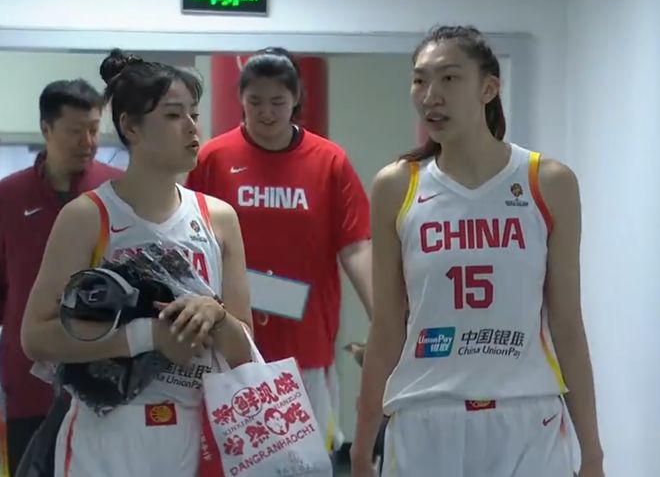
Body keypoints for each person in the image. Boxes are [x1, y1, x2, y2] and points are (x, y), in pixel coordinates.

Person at [350, 25, 604, 477]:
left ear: (488, 88)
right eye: (420, 80)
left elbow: (567, 323)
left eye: (449, 78)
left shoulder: (547, 182)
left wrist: (593, 452)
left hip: (527, 415)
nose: (431, 95)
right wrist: (363, 441)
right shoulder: (398, 185)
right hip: (426, 416)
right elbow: (387, 326)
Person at [20, 49, 254, 476]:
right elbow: (35, 337)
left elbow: (245, 350)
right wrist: (147, 335)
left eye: (194, 113)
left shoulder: (219, 218)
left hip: (198, 433)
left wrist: (217, 317)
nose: (192, 127)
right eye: (173, 115)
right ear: (131, 127)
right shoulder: (87, 216)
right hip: (106, 436)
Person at [186, 47, 372, 455]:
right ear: (240, 99)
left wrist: (384, 317)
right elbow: (190, 242)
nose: (266, 113)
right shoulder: (213, 158)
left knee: (305, 461)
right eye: (255, 102)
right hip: (228, 344)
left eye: (277, 102)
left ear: (296, 99)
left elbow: (356, 246)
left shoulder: (329, 161)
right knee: (232, 460)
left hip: (306, 345)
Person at [0, 79, 122, 474]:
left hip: (106, 384)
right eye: (75, 131)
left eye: (94, 129)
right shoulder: (8, 197)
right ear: (46, 129)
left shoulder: (117, 192)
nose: (88, 141)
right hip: (29, 385)